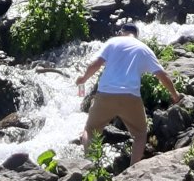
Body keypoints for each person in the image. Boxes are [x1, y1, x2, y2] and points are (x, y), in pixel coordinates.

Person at [77, 22, 180, 166]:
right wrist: (175, 95)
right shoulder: (143, 48)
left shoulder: (112, 42)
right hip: (130, 97)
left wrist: (83, 79)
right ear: (136, 35)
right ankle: (132, 170)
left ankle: (90, 166)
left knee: (90, 130)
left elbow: (96, 64)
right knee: (140, 134)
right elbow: (162, 75)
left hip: (105, 94)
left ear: (121, 32)